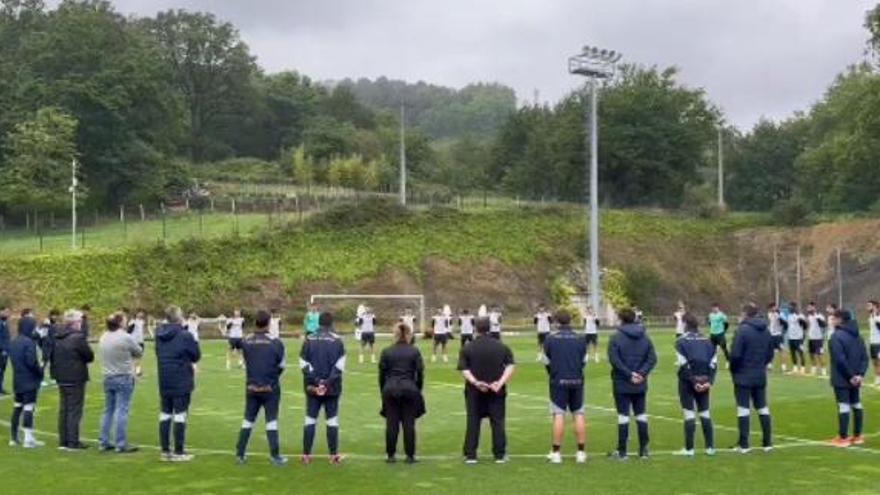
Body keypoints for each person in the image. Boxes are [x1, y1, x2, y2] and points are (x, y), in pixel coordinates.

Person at [458, 317, 515, 464]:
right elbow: (510, 366)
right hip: (496, 390)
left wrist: (476, 382)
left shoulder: (468, 347)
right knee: (497, 422)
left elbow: (464, 369)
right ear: (489, 328)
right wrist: (500, 382)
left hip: (474, 391)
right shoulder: (501, 346)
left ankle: (471, 455)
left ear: (475, 328)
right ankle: (500, 455)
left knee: (473, 421)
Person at [235, 310, 287, 466]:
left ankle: (240, 454)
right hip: (270, 388)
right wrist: (271, 379)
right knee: (271, 421)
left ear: (255, 322)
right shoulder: (276, 342)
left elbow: (246, 360)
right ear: (269, 322)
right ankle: (275, 456)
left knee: (247, 420)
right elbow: (281, 366)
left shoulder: (247, 341)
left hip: (251, 387)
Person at [607, 308, 657, 460]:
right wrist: (641, 373)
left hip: (622, 381)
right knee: (641, 415)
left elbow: (615, 360)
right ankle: (643, 450)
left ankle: (622, 452)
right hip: (640, 383)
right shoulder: (645, 337)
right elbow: (652, 359)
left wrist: (630, 374)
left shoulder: (616, 337)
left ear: (621, 319)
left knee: (623, 416)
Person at [299, 312, 346, 465]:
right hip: (332, 388)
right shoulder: (338, 341)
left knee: (310, 420)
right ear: (331, 324)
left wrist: (317, 382)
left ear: (318, 323)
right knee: (332, 421)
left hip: (312, 387)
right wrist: (326, 383)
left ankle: (306, 455)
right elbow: (339, 367)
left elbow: (303, 364)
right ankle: (333, 456)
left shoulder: (309, 339)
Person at [156, 305, 201, 462]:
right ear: (178, 317)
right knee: (180, 415)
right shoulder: (185, 335)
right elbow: (196, 355)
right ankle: (179, 451)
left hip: (164, 379)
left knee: (165, 414)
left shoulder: (159, 334)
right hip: (181, 379)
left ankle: (164, 450)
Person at [542, 310, 588, 464]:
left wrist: (553, 373)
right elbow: (584, 360)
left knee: (559, 415)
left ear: (556, 322)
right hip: (577, 380)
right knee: (579, 414)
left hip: (558, 380)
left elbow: (546, 361)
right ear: (570, 320)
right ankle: (581, 452)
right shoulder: (580, 338)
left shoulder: (550, 339)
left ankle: (556, 453)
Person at [729, 303, 775, 454]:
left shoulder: (742, 330)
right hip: (759, 374)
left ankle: (744, 444)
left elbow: (735, 354)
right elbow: (770, 354)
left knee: (743, 409)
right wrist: (761, 365)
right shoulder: (766, 330)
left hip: (743, 375)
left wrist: (734, 369)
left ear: (745, 314)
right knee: (762, 407)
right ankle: (767, 443)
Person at [379, 322, 425, 464]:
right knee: (408, 423)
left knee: (391, 423)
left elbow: (381, 374)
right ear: (409, 335)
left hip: (390, 388)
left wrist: (384, 389)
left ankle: (390, 455)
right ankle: (410, 456)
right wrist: (417, 388)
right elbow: (420, 372)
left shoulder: (386, 351)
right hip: (409, 388)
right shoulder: (414, 351)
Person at [99, 312, 143, 453]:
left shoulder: (103, 336)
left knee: (108, 410)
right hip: (123, 376)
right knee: (122, 410)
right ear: (120, 323)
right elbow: (139, 351)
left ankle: (104, 441)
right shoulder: (125, 337)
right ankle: (120, 443)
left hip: (108, 376)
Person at [51, 309, 95, 451]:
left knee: (64, 409)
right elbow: (89, 356)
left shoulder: (57, 336)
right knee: (74, 410)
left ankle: (63, 441)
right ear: (75, 323)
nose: (81, 324)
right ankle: (73, 441)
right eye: (80, 321)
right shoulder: (77, 337)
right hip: (75, 377)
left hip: (61, 377)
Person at [674, 314, 717, 457]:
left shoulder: (681, 341)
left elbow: (684, 364)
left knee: (689, 414)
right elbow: (713, 364)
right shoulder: (708, 341)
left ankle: (689, 449)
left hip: (687, 382)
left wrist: (694, 382)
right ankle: (710, 447)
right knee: (705, 413)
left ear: (685, 324)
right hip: (704, 380)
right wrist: (708, 382)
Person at [827, 309, 868, 447]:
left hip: (842, 377)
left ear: (839, 320)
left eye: (833, 318)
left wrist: (850, 376)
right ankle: (858, 436)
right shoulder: (858, 336)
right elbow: (864, 358)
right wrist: (860, 375)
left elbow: (840, 359)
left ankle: (843, 438)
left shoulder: (836, 337)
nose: (831, 321)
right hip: (856, 377)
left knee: (843, 405)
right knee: (856, 403)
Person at [8, 313, 44, 448]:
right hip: (29, 380)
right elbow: (31, 362)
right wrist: (40, 371)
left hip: (17, 379)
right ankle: (28, 440)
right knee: (29, 407)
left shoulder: (14, 342)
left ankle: (13, 438)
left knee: (17, 407)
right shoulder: (29, 343)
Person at [805, 302, 828, 376]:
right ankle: (814, 368)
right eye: (808, 307)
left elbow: (824, 325)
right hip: (811, 338)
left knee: (819, 354)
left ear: (814, 307)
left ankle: (823, 369)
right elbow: (808, 326)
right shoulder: (809, 316)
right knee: (811, 354)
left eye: (810, 307)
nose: (809, 309)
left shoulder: (819, 316)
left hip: (818, 338)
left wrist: (817, 319)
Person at [785, 302, 807, 374]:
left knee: (800, 352)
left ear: (794, 307)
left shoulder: (800, 315)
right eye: (789, 307)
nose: (789, 308)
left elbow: (805, 326)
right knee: (792, 353)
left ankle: (803, 368)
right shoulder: (789, 316)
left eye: (790, 307)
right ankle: (795, 368)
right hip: (791, 337)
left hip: (799, 337)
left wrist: (801, 320)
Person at [767, 302, 788, 372]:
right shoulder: (769, 314)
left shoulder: (780, 314)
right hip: (771, 335)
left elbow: (785, 323)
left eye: (774, 307)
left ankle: (783, 367)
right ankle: (769, 365)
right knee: (770, 351)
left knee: (782, 350)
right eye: (771, 307)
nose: (772, 309)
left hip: (778, 335)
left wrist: (779, 316)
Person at [127, 310, 148, 377]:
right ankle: (132, 371)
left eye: (142, 313)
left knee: (139, 358)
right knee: (133, 358)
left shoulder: (142, 322)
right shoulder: (133, 322)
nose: (141, 314)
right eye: (139, 312)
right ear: (136, 313)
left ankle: (138, 372)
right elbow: (129, 331)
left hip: (141, 342)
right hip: (134, 342)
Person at [866, 300, 880, 387]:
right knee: (874, 361)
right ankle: (877, 378)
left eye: (869, 305)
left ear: (875, 307)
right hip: (872, 343)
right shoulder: (870, 317)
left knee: (879, 362)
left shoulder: (878, 317)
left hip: (879, 343)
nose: (867, 307)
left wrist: (876, 318)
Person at [0, 307, 10, 395]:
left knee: (2, 370)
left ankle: (1, 388)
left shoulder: (5, 323)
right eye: (5, 312)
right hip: (1, 351)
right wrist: (2, 349)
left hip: (5, 351)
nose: (8, 314)